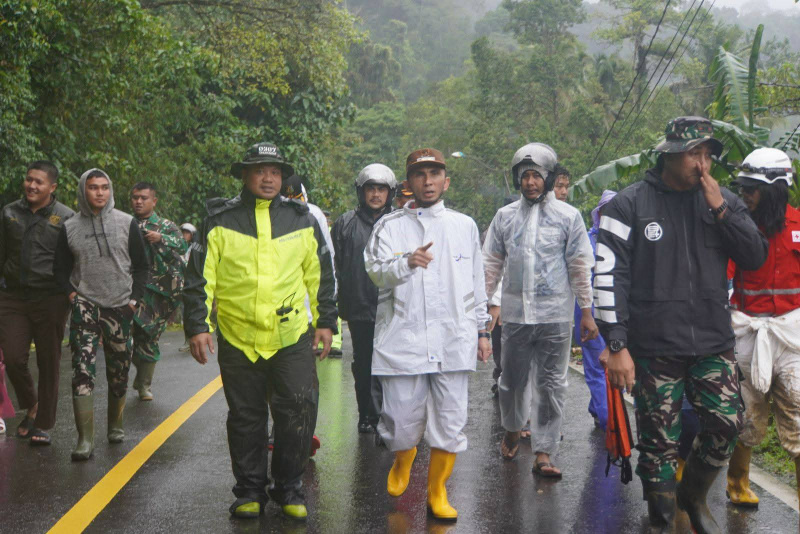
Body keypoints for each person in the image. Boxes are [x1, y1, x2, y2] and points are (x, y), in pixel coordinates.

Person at [596, 116, 768, 533]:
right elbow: (608, 276)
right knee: (658, 443)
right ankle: (661, 520)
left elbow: (754, 257)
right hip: (654, 346)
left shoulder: (721, 201)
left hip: (712, 342)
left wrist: (721, 208)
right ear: (670, 155)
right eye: (693, 153)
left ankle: (693, 494)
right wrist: (616, 344)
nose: (702, 163)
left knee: (727, 423)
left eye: (707, 154)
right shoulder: (629, 205)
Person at [183, 142, 337, 521]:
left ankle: (289, 487)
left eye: (275, 172)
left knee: (297, 410)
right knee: (245, 416)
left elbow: (320, 274)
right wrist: (198, 326)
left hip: (291, 336)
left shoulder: (302, 219)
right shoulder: (219, 220)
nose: (268, 178)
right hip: (238, 337)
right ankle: (249, 490)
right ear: (244, 175)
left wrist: (325, 321)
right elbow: (199, 278)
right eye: (260, 170)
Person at [365, 148, 491, 521]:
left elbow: (477, 282)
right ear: (409, 183)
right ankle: (403, 458)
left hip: (454, 337)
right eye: (420, 175)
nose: (428, 181)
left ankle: (437, 491)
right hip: (403, 338)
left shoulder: (464, 225)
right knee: (400, 421)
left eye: (435, 174)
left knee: (450, 421)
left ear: (446, 181)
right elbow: (374, 270)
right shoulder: (389, 226)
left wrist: (482, 330)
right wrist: (406, 262)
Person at [483, 142, 597, 479]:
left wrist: (586, 310)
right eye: (524, 176)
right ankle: (512, 428)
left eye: (536, 176)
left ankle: (544, 451)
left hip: (555, 316)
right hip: (516, 315)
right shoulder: (505, 217)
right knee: (511, 381)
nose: (530, 182)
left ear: (548, 178)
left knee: (552, 385)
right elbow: (491, 265)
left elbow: (579, 265)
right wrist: (482, 308)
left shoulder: (568, 216)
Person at [54, 168, 149, 461]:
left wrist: (134, 300)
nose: (99, 192)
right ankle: (85, 440)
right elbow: (59, 269)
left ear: (111, 190)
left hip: (120, 306)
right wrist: (72, 296)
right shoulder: (70, 227)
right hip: (85, 306)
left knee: (119, 371)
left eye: (104, 187)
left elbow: (142, 266)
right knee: (82, 371)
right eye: (93, 187)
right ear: (83, 190)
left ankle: (115, 426)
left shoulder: (126, 222)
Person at [726, 147, 800, 509]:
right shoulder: (738, 229)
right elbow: (722, 278)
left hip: (792, 337)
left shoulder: (799, 226)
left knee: (799, 418)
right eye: (742, 187)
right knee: (748, 416)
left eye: (752, 188)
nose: (745, 194)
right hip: (747, 334)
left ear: (774, 189)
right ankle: (737, 483)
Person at [0, 161, 75, 445]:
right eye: (29, 179)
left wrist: (70, 293)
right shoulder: (9, 212)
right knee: (13, 356)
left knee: (48, 360)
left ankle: (42, 423)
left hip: (51, 297)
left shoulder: (66, 218)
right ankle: (32, 404)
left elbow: (72, 260)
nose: (32, 185)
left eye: (39, 182)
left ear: (52, 187)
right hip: (13, 296)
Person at [331, 163, 397, 434]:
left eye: (381, 189)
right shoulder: (345, 223)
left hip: (394, 309)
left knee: (394, 363)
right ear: (361, 191)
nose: (376, 194)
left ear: (390, 193)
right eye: (371, 188)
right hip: (359, 307)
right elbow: (334, 266)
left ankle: (391, 416)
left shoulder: (400, 222)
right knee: (363, 364)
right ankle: (367, 415)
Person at [129, 182, 188, 401]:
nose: (139, 201)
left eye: (143, 198)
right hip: (131, 288)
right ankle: (140, 371)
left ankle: (144, 384)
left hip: (159, 292)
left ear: (154, 201)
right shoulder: (125, 223)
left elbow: (182, 246)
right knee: (124, 336)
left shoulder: (166, 225)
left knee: (149, 336)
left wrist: (161, 238)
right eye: (135, 197)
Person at [281, 175, 342, 358]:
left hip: (308, 304)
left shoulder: (314, 214)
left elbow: (327, 259)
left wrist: (327, 308)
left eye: (298, 199)